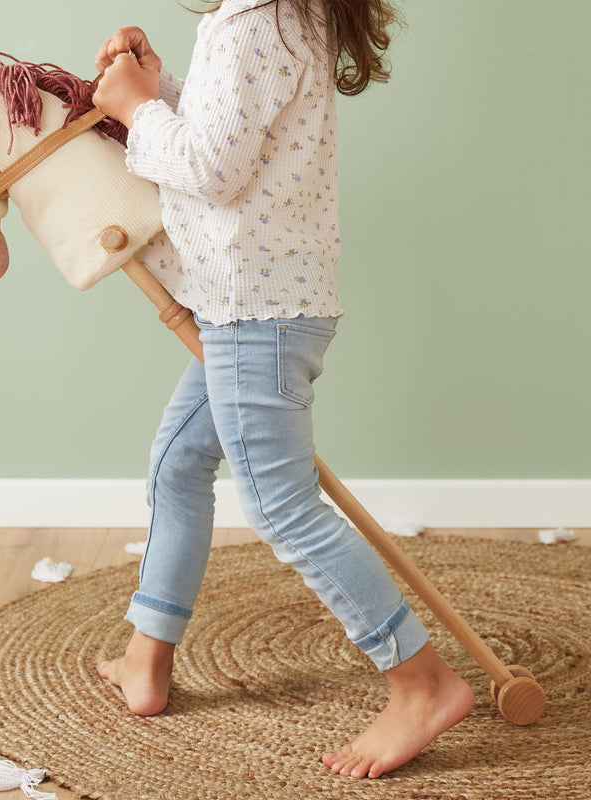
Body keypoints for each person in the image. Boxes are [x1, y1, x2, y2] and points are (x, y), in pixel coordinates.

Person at [91, 0, 474, 780]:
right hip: (249, 309)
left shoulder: (256, 23)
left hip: (255, 316)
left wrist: (135, 110)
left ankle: (422, 682)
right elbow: (231, 134)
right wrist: (160, 88)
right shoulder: (262, 19)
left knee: (281, 505)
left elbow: (212, 170)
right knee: (178, 464)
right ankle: (145, 658)